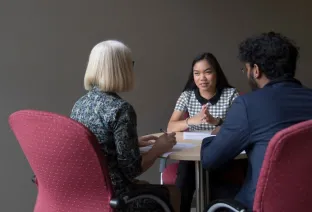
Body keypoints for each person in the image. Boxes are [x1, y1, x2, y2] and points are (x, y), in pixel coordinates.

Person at [201, 31, 312, 210]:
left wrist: (215, 135)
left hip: (260, 205)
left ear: (256, 70)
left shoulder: (248, 105)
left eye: (246, 69)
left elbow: (210, 159)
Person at [70, 40, 177, 212]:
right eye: (130, 64)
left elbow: (98, 145)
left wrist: (133, 142)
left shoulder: (80, 104)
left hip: (88, 192)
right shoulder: (121, 109)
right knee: (173, 193)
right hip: (115, 195)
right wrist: (157, 149)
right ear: (119, 69)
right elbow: (132, 170)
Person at [167, 52, 241, 211]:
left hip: (220, 152)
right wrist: (191, 120)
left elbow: (238, 126)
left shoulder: (231, 94)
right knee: (185, 179)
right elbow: (170, 127)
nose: (202, 78)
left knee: (218, 187)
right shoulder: (186, 96)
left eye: (207, 72)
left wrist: (217, 122)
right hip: (192, 154)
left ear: (216, 73)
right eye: (197, 73)